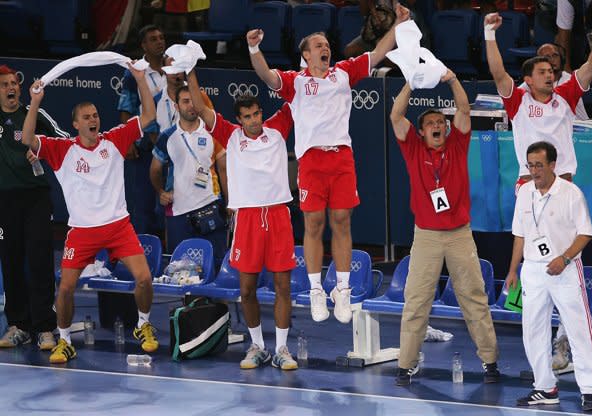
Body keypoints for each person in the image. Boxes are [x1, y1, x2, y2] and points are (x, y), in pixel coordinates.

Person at [247, 2, 410, 324]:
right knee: (314, 224)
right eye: (318, 45)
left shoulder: (344, 73)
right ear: (306, 54)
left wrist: (400, 24)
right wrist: (253, 47)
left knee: (341, 221)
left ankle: (343, 290)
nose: (326, 48)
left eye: (327, 45)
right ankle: (316, 289)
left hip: (341, 158)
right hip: (311, 160)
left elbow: (378, 53)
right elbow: (266, 76)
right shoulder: (295, 81)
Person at [21, 63, 159, 364]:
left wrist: (140, 79)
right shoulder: (62, 149)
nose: (93, 120)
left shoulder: (114, 140)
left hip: (118, 226)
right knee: (67, 288)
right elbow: (27, 139)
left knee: (145, 279)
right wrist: (34, 102)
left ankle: (143, 325)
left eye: (95, 115)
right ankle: (66, 341)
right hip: (82, 230)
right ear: (76, 124)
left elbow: (149, 117)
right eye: (86, 117)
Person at [389, 70, 500, 386]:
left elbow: (464, 110)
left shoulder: (457, 144)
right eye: (431, 124)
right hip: (425, 235)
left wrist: (453, 80)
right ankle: (406, 364)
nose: (438, 126)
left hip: (460, 235)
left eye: (441, 122)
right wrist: (412, 81)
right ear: (421, 132)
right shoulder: (412, 148)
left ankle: (490, 361)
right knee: (416, 301)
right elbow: (396, 114)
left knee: (474, 298)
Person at [186, 68, 298, 370]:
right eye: (247, 117)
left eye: (257, 114)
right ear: (239, 120)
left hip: (277, 215)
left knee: (282, 287)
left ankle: (283, 349)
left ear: (262, 113)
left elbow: (298, 93)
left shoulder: (277, 130)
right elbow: (199, 107)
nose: (254, 120)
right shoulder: (229, 135)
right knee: (247, 289)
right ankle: (258, 346)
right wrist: (190, 71)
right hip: (247, 218)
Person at [506, 141, 592, 411]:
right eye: (530, 165)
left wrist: (565, 258)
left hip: (565, 269)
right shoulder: (525, 192)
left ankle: (588, 390)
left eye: (539, 165)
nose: (534, 170)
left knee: (578, 329)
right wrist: (513, 270)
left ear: (552, 165)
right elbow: (519, 234)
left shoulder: (571, 193)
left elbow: (586, 233)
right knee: (532, 331)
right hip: (533, 271)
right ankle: (545, 387)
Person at [484, 8, 592, 186]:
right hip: (529, 182)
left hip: (563, 181)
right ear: (528, 79)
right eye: (542, 72)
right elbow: (498, 73)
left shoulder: (565, 95)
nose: (549, 75)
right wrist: (489, 33)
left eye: (550, 71)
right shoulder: (518, 100)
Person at [0, 64, 68, 351]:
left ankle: (44, 327)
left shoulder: (34, 115)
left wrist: (40, 148)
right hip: (4, 202)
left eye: (13, 83)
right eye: (4, 85)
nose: (11, 88)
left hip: (36, 199)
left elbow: (64, 140)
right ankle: (18, 325)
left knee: (39, 261)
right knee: (10, 260)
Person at [150, 84, 228, 267]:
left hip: (210, 207)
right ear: (177, 106)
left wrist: (230, 203)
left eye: (194, 101)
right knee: (180, 270)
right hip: (178, 212)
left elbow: (224, 169)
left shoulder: (213, 131)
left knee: (214, 266)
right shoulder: (167, 137)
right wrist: (160, 190)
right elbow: (154, 169)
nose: (191, 105)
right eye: (185, 101)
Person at [118, 24, 167, 235]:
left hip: (173, 144)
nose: (159, 41)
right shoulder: (135, 72)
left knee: (170, 201)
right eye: (153, 39)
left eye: (161, 37)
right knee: (144, 201)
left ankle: (168, 254)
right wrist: (127, 141)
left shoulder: (174, 68)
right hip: (146, 145)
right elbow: (126, 108)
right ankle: (143, 250)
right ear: (143, 45)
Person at [519, 43, 588, 121]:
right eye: (547, 57)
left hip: (581, 128)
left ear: (561, 58)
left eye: (555, 55)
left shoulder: (570, 80)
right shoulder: (533, 82)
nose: (552, 59)